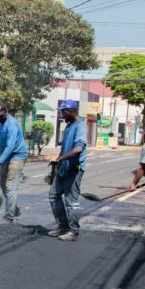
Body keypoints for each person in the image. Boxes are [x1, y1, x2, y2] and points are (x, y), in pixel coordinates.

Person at [48, 100, 88, 241]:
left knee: (71, 202)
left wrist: (61, 159)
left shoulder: (80, 126)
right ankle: (63, 227)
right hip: (63, 169)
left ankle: (74, 232)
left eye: (63, 112)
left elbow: (78, 148)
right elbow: (64, 148)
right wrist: (56, 162)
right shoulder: (69, 126)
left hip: (73, 169)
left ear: (71, 112)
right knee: (53, 195)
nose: (61, 115)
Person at [0, 103, 29, 222]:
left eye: (0, 115)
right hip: (6, 155)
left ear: (6, 112)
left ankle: (9, 216)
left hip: (17, 156)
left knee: (10, 186)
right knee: (3, 184)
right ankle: (14, 209)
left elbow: (10, 146)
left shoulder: (12, 125)